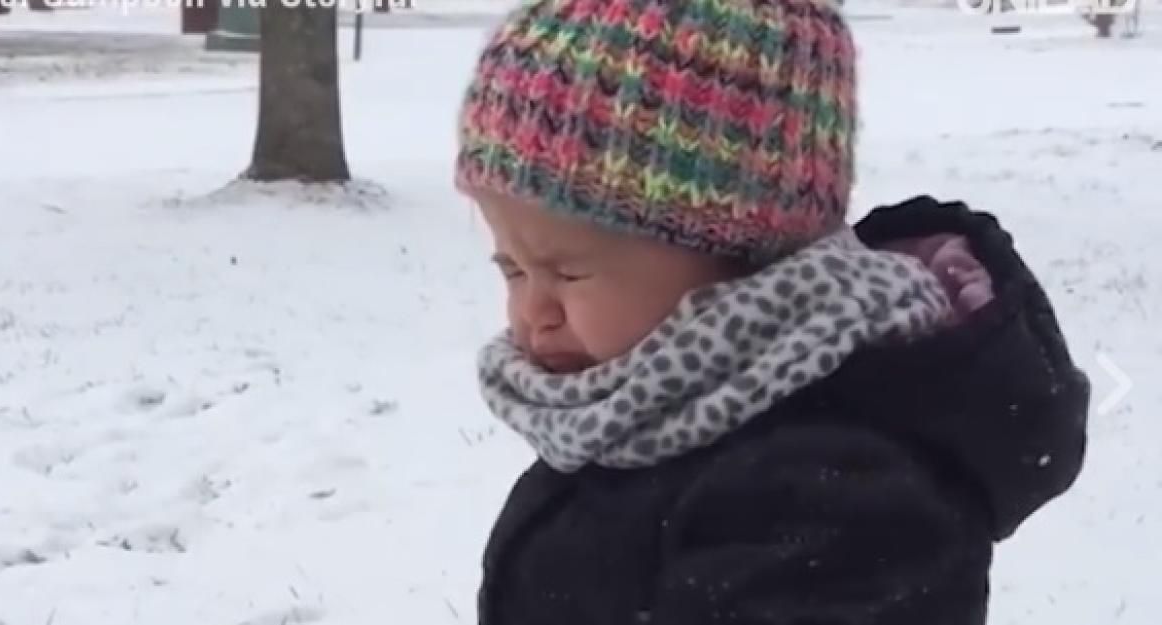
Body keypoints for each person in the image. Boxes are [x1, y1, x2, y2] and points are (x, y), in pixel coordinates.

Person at [452, 0, 1091, 623]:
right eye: (510, 268)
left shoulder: (832, 501)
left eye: (568, 272)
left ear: (741, 260)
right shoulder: (641, 406)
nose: (533, 309)